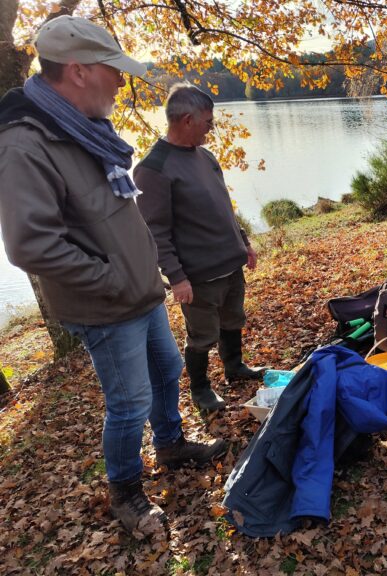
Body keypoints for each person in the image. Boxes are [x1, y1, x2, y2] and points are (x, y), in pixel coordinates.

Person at [0, 16, 226, 536]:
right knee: (129, 403)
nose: (121, 82)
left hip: (140, 293)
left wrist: (140, 274)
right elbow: (31, 244)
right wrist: (113, 280)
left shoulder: (83, 127)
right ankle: (126, 494)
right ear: (78, 70)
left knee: (167, 371)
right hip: (105, 304)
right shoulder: (25, 143)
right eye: (112, 70)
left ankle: (170, 445)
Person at [134, 84, 264, 413]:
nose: (212, 128)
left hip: (230, 263)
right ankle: (201, 389)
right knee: (202, 335)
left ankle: (234, 366)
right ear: (187, 120)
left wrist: (243, 242)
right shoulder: (153, 168)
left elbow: (223, 207)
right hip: (198, 276)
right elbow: (155, 231)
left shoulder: (205, 156)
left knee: (233, 319)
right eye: (208, 122)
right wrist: (176, 277)